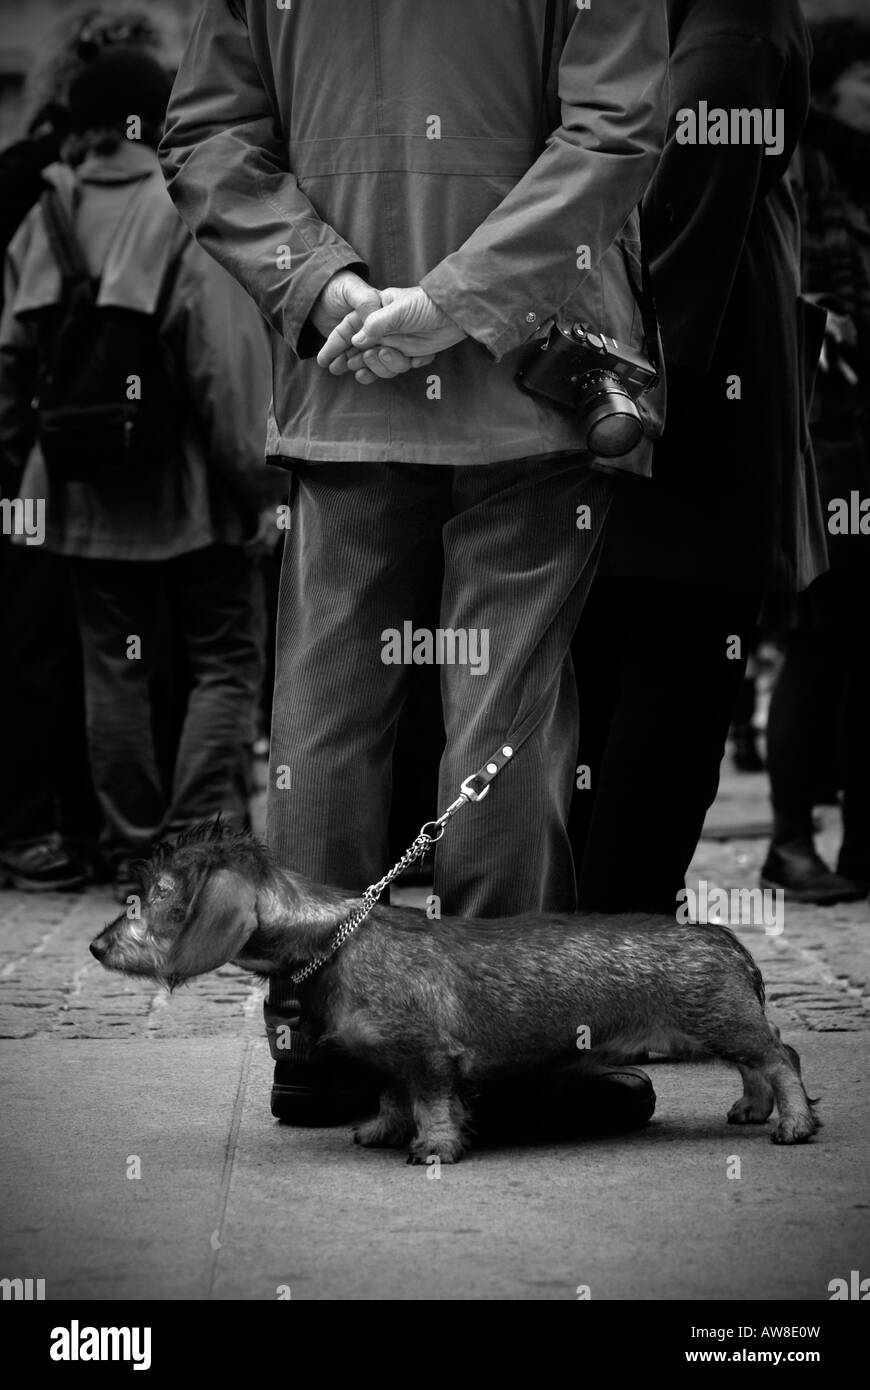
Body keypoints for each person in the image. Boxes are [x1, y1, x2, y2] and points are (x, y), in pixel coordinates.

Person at [160, 0, 670, 1127]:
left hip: (347, 372)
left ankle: (318, 1036)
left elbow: (207, 137)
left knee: (325, 720)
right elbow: (617, 130)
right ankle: (506, 1053)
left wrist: (324, 281)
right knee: (509, 715)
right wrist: (452, 303)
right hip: (532, 371)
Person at [0, 46, 280, 902]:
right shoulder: (186, 206)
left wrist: (33, 470)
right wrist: (259, 494)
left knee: (111, 664)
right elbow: (223, 374)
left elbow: (12, 364)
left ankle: (129, 848)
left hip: (78, 494)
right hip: (188, 492)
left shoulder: (49, 209)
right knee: (224, 658)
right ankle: (193, 844)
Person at [567, 0, 829, 914]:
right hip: (681, 375)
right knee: (666, 674)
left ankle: (604, 937)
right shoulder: (737, 12)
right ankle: (614, 944)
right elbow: (694, 177)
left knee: (636, 666)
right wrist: (630, 381)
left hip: (661, 362)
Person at [0, 7, 170, 892]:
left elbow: (12, 349)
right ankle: (110, 838)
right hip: (137, 468)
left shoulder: (36, 188)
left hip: (40, 466)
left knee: (54, 647)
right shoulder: (167, 194)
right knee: (121, 652)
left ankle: (51, 829)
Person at [761, 18, 870, 904]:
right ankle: (790, 843)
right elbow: (812, 298)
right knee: (821, 637)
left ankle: (858, 843)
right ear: (829, 83)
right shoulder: (805, 159)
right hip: (826, 437)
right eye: (866, 80)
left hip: (854, 433)